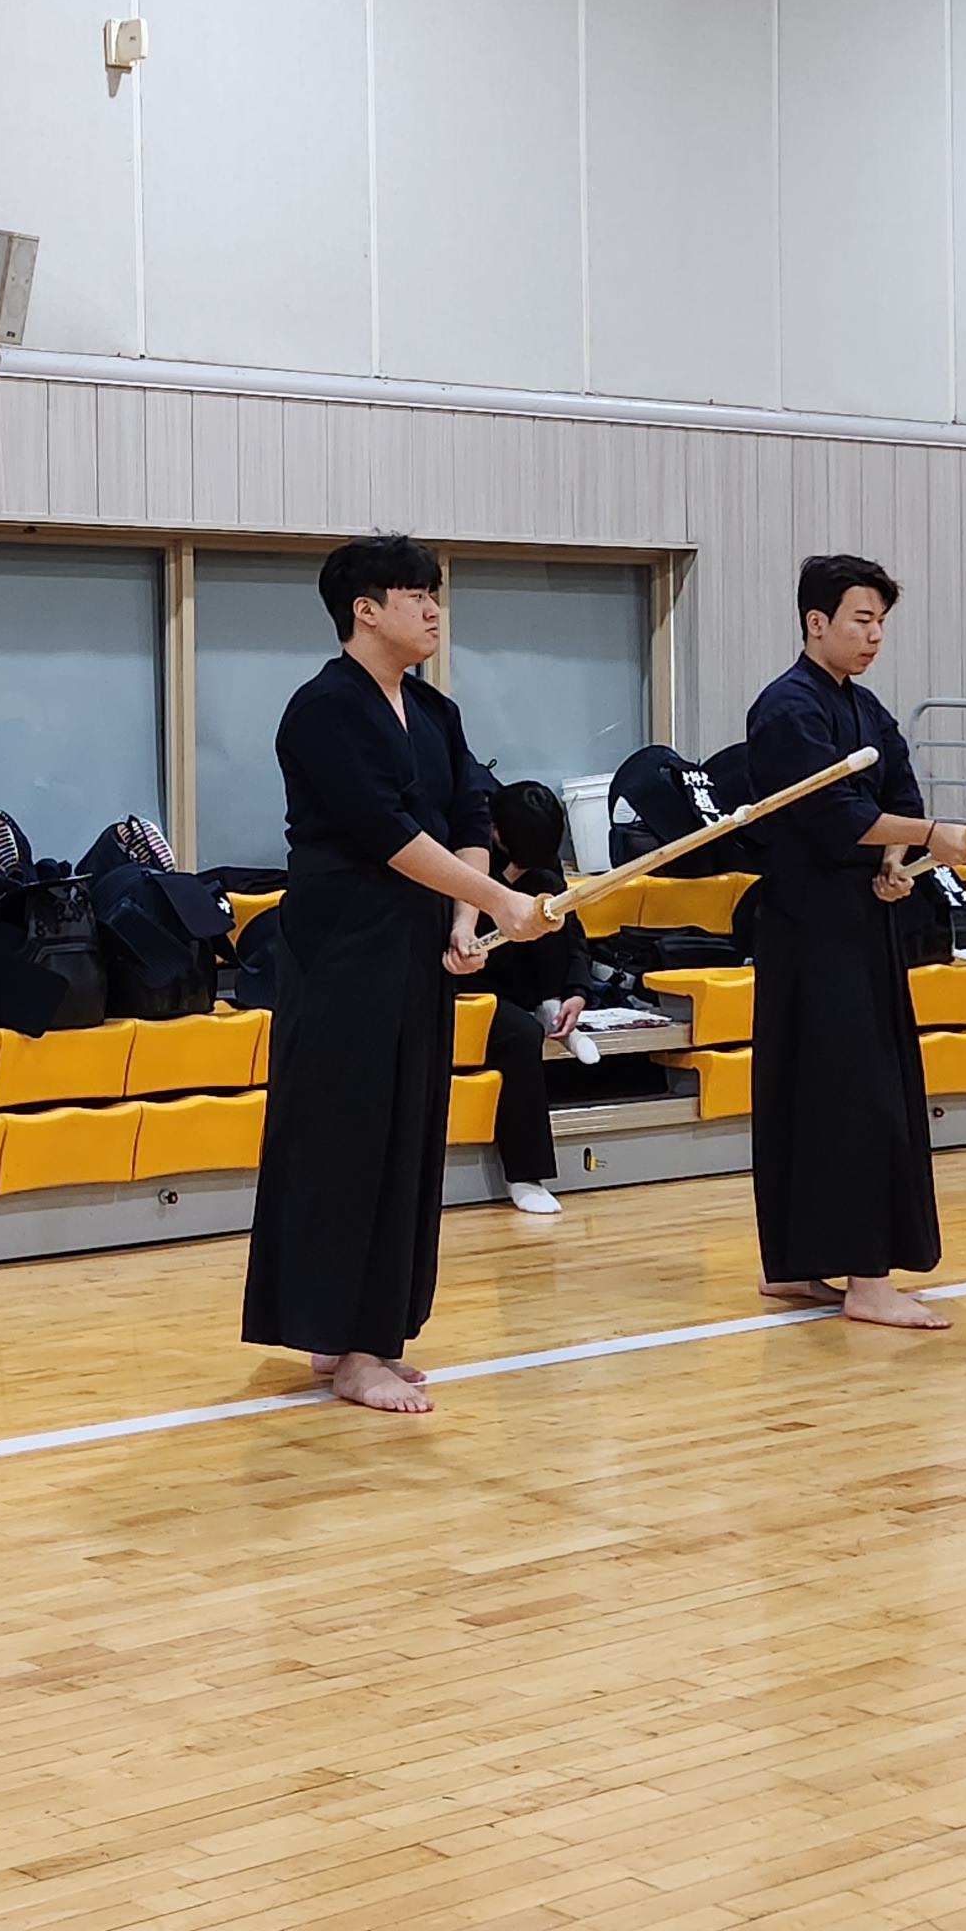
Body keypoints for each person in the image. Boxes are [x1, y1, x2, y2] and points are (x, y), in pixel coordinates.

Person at [242, 537, 549, 1413]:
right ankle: (348, 1346)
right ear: (365, 610)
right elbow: (387, 833)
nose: (433, 610)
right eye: (416, 594)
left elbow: (468, 817)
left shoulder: (436, 712)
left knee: (407, 1139)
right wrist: (498, 900)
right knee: (342, 1142)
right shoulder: (322, 710)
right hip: (342, 952)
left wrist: (464, 921)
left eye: (434, 594)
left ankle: (366, 1333)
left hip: (418, 951)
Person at [742, 553, 966, 1330]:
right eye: (861, 620)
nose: (875, 635)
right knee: (844, 1098)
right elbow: (833, 815)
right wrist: (929, 836)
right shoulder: (787, 710)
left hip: (861, 921)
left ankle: (799, 1262)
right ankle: (865, 1281)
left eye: (881, 622)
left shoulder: (866, 708)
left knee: (843, 1091)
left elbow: (897, 793)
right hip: (809, 930)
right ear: (817, 622)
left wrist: (895, 862)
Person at [476, 776, 590, 1219]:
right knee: (520, 1034)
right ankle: (526, 1175)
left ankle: (552, 1005)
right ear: (496, 832)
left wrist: (576, 991)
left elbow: (572, 930)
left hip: (526, 978)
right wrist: (502, 885)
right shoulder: (468, 843)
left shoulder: (539, 857)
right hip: (468, 979)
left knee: (547, 899)